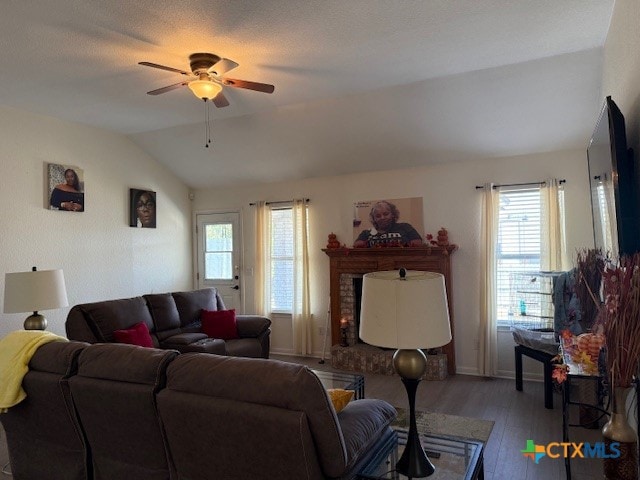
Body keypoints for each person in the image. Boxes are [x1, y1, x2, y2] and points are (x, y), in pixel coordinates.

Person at [354, 200, 423, 247]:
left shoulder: (405, 227)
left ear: (393, 214)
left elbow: (418, 243)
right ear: (374, 219)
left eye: (386, 214)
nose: (382, 218)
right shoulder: (366, 233)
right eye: (378, 216)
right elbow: (357, 245)